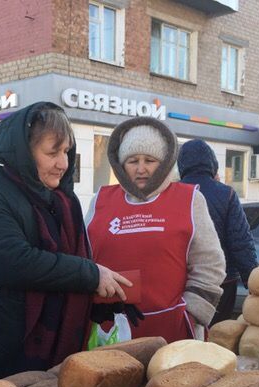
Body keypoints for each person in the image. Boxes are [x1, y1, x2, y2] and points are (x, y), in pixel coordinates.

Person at [0, 102, 132, 387]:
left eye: (66, 152)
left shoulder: (63, 198)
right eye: (52, 152)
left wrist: (97, 298)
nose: (63, 163)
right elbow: (15, 263)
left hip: (55, 350)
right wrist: (89, 275)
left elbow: (72, 256)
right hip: (1, 351)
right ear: (24, 151)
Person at [87, 117, 226, 343]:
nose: (141, 169)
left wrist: (192, 313)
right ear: (121, 165)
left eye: (149, 160)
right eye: (133, 161)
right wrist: (92, 300)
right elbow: (84, 257)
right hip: (111, 327)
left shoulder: (190, 199)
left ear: (163, 163)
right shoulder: (100, 200)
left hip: (174, 330)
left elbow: (210, 264)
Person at [178, 139, 257, 325]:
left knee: (186, 336)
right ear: (213, 164)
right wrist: (253, 285)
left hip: (183, 281)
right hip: (222, 281)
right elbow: (241, 242)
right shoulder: (226, 194)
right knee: (218, 338)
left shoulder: (173, 194)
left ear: (181, 165)